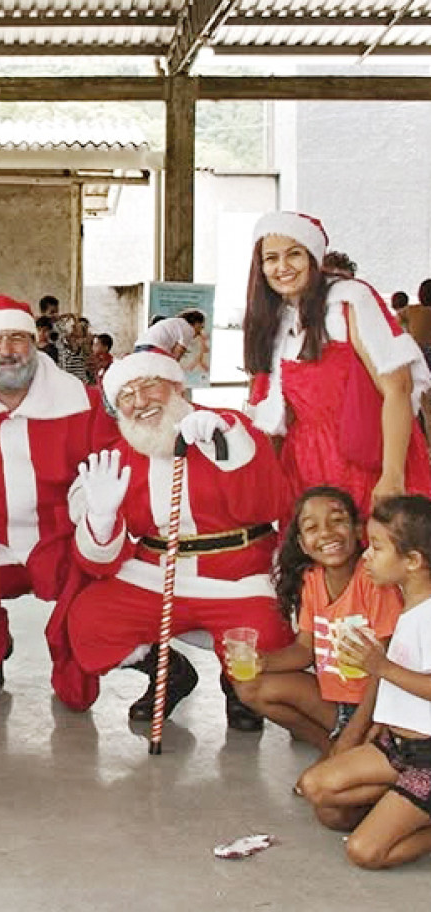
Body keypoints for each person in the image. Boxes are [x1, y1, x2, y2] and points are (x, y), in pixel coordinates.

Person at [65, 350, 294, 728]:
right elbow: (98, 563)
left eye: (149, 385)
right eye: (126, 395)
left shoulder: (230, 427)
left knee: (266, 632)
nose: (139, 402)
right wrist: (102, 520)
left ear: (176, 385)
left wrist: (230, 450)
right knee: (90, 620)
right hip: (157, 573)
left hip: (236, 575)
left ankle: (239, 688)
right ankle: (169, 673)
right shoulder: (120, 454)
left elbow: (271, 504)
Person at [0, 295, 116, 704]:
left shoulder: (82, 403)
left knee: (84, 608)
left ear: (35, 343)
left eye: (17, 338)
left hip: (62, 539)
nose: (6, 351)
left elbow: (112, 473)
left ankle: (76, 672)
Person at [244, 212, 431, 518]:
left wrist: (392, 476)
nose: (282, 267)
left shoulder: (351, 301)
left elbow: (398, 387)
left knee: (380, 557)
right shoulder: (276, 320)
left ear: (314, 257)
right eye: (271, 258)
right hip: (304, 468)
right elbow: (276, 415)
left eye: (294, 254)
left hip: (367, 459)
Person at [298, 495, 431, 870]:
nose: (366, 555)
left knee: (364, 851)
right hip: (398, 746)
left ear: (413, 562)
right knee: (321, 797)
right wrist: (378, 723)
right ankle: (405, 802)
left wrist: (380, 666)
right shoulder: (407, 599)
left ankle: (411, 806)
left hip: (427, 756)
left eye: (376, 547)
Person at [231, 486, 402, 754]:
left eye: (337, 521)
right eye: (312, 528)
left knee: (328, 790)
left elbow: (385, 670)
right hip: (333, 703)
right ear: (301, 544)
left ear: (359, 530)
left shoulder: (374, 582)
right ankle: (330, 748)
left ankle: (347, 747)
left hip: (375, 706)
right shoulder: (312, 579)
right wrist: (262, 661)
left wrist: (356, 730)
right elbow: (303, 651)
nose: (326, 533)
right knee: (248, 685)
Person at [136, 309, 205, 361]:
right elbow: (176, 357)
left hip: (139, 347)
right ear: (197, 323)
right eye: (201, 327)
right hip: (154, 349)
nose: (200, 332)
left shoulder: (176, 322)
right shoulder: (189, 329)